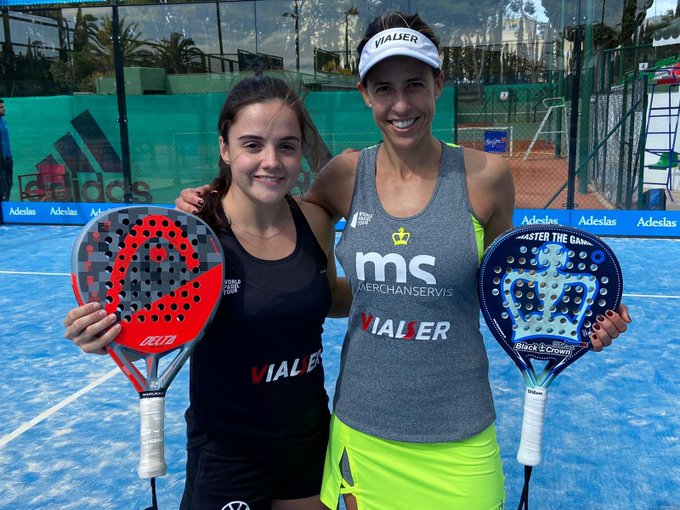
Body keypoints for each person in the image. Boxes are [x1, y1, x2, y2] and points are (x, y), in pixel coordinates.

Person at [175, 12, 632, 510]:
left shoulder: (488, 177)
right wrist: (209, 203)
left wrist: (585, 325)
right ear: (365, 93)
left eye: (415, 84)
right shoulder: (342, 177)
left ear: (438, 83)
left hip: (460, 430)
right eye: (384, 88)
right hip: (361, 432)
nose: (400, 104)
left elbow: (507, 296)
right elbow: (281, 241)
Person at [64, 75, 351, 510]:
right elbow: (143, 320)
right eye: (252, 144)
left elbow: (327, 298)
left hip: (309, 442)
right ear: (225, 148)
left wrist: (399, 292)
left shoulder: (315, 221)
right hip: (228, 454)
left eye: (287, 145)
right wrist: (100, 336)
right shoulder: (194, 236)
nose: (271, 161)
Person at [0, 99, 13, 201]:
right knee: (3, 186)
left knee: (9, 183)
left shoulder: (4, 121)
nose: (3, 109)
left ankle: (6, 206)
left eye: (3, 107)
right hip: (1, 160)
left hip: (9, 159)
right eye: (1, 107)